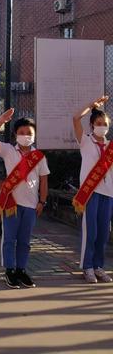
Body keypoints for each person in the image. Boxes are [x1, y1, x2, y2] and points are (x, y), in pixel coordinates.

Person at [0, 108, 49, 289]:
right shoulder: (8, 150)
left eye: (29, 133)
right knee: (9, 239)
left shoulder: (39, 157)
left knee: (25, 241)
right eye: (22, 133)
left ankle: (21, 269)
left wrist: (42, 201)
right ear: (15, 135)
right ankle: (10, 270)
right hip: (11, 203)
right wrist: (0, 121)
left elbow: (44, 181)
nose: (25, 136)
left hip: (31, 205)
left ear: (34, 135)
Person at [72, 96, 113, 283]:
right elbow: (75, 118)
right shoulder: (85, 141)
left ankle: (98, 266)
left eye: (105, 124)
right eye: (98, 123)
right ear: (92, 125)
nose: (102, 126)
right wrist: (91, 106)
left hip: (109, 193)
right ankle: (87, 266)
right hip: (90, 193)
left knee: (104, 232)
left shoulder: (111, 147)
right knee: (91, 231)